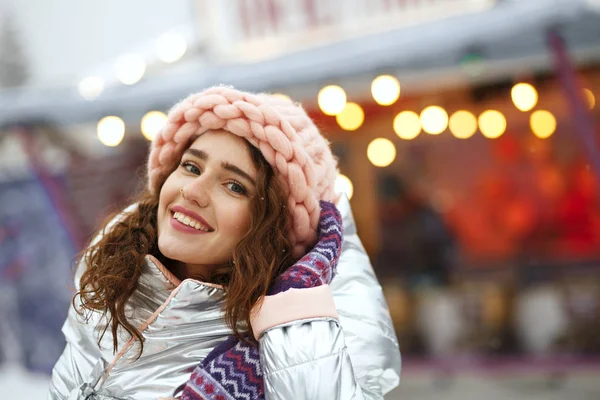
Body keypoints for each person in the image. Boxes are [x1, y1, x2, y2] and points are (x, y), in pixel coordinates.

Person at [48, 86, 401, 399]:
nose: (193, 191)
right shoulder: (107, 285)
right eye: (191, 167)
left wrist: (296, 331)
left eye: (234, 186)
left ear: (272, 227)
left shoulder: (278, 354)